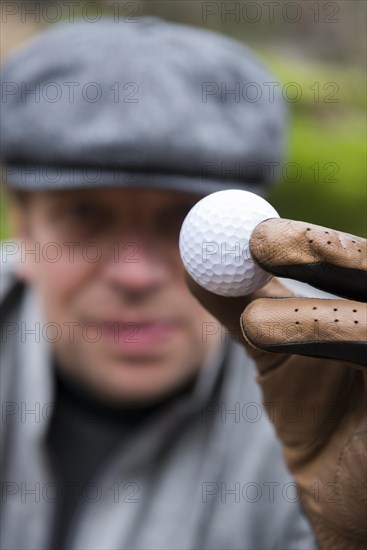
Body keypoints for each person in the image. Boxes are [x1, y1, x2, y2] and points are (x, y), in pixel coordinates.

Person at [0, 18, 365, 550]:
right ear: (24, 230)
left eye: (182, 220)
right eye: (84, 213)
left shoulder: (342, 396)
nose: (135, 274)